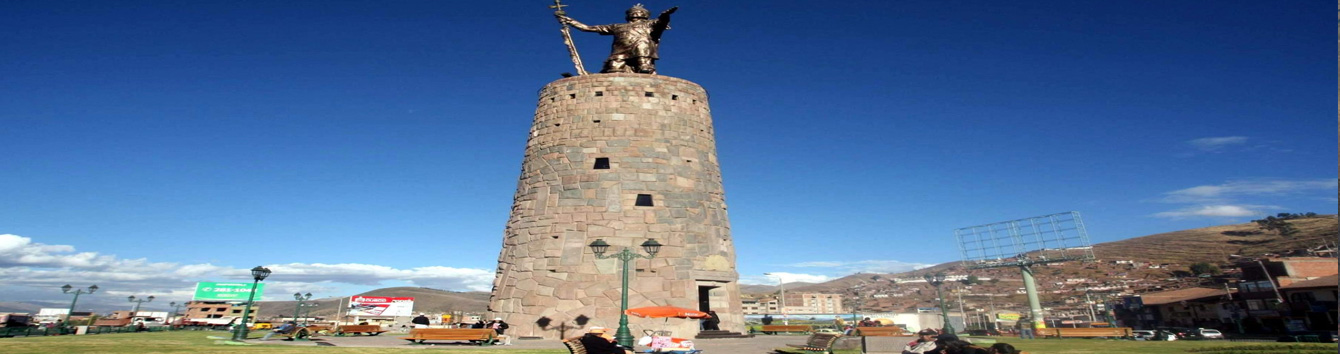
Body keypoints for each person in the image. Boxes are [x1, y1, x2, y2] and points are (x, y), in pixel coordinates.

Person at [557, 4, 678, 74]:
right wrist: (570, 21)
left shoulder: (650, 24)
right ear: (628, 15)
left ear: (645, 15)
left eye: (639, 12)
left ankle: (644, 72)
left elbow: (661, 23)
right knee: (613, 70)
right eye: (634, 12)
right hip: (620, 51)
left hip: (642, 49)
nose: (636, 13)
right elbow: (589, 28)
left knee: (644, 68)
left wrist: (665, 16)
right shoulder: (617, 26)